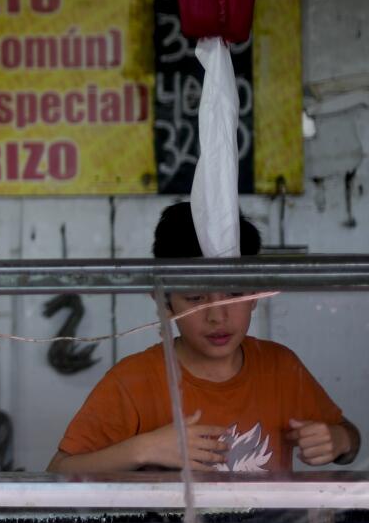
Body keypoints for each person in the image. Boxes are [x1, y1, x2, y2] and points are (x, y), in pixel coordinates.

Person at [48, 202, 359, 474]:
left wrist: (339, 441)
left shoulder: (281, 367)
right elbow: (59, 472)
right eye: (195, 298)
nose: (217, 316)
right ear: (163, 301)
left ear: (255, 294)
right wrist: (142, 449)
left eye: (234, 294)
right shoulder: (132, 381)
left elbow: (350, 438)